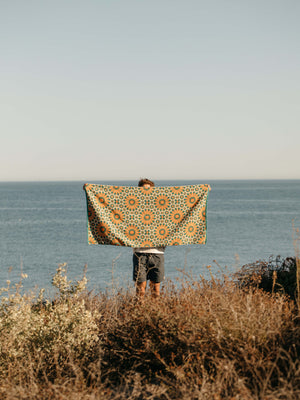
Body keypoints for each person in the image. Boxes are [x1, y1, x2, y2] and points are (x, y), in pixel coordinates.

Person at [133, 178, 165, 298]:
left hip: (157, 253)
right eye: (143, 190)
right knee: (140, 288)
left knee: (156, 289)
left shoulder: (161, 209)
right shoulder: (133, 209)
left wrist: (202, 191)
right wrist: (91, 190)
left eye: (148, 190)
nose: (146, 193)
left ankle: (154, 313)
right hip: (139, 253)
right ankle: (139, 313)